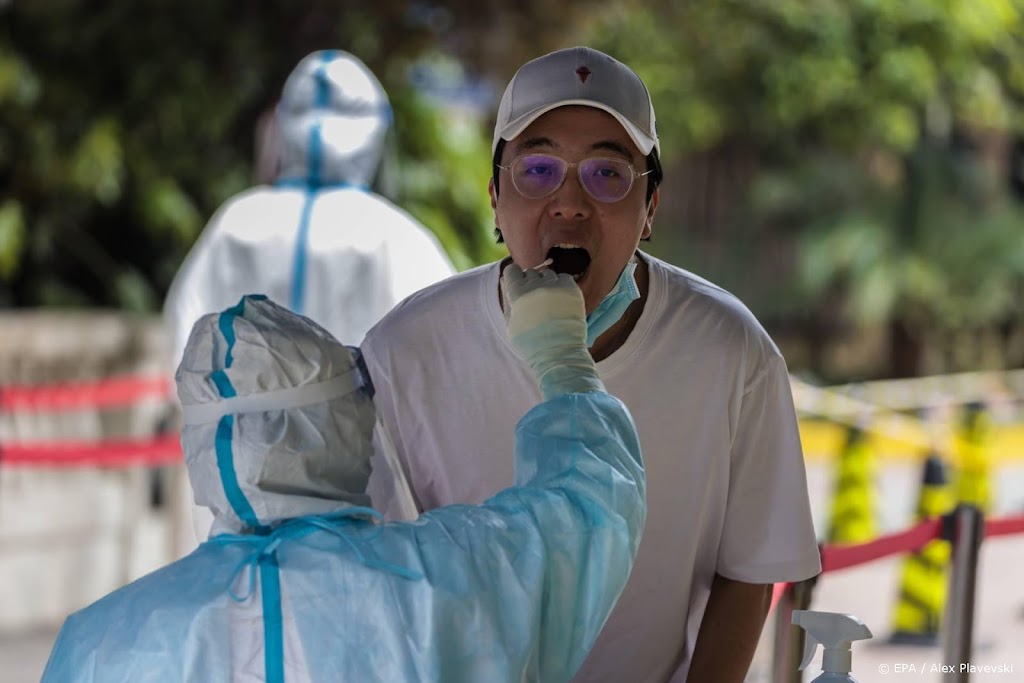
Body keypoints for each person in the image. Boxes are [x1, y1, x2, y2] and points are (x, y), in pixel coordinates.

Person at [363, 46, 822, 682]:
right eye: (539, 169)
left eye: (607, 174)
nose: (570, 203)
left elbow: (747, 573)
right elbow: (370, 573)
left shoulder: (730, 351)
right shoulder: (405, 350)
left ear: (651, 206)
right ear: (495, 196)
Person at [42, 289, 646, 682]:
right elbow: (589, 508)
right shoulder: (441, 588)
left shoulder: (102, 648)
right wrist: (561, 358)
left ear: (203, 444)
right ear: (341, 426)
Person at [163, 49, 454, 368]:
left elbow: (184, 336)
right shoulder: (397, 238)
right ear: (375, 129)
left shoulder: (237, 222)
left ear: (284, 123)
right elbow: (446, 353)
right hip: (361, 419)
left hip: (236, 419)